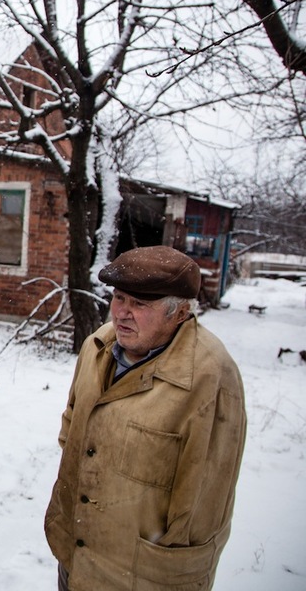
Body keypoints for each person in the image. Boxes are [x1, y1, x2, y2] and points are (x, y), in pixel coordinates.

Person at [44, 246, 246, 590]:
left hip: (138, 577)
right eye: (120, 298)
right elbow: (72, 427)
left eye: (140, 305)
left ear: (179, 313)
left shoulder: (209, 379)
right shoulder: (97, 347)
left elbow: (204, 506)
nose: (122, 313)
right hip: (74, 553)